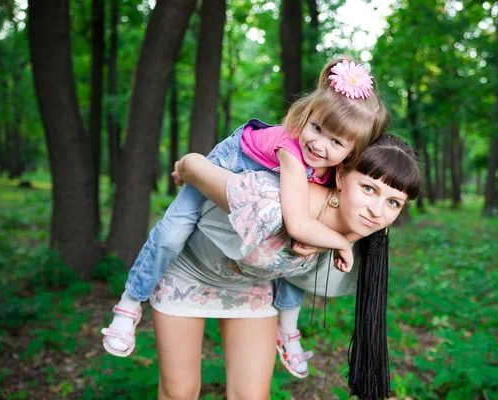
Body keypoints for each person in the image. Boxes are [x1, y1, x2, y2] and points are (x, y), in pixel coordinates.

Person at [102, 58, 389, 378]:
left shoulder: (336, 173)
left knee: (297, 254)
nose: (319, 144)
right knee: (173, 231)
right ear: (305, 117)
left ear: (352, 153)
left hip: (263, 212)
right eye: (316, 128)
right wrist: (340, 242)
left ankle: (288, 330)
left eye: (335, 141)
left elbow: (352, 215)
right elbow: (296, 222)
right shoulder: (292, 149)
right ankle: (129, 302)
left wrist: (343, 237)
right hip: (233, 164)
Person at [151, 133, 421, 399]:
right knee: (180, 392)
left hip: (250, 287)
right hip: (191, 273)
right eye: (369, 189)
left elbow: (367, 222)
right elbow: (197, 170)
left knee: (252, 396)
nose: (377, 210)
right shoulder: (272, 199)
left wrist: (338, 239)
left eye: (393, 202)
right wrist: (187, 166)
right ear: (340, 176)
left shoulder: (360, 231)